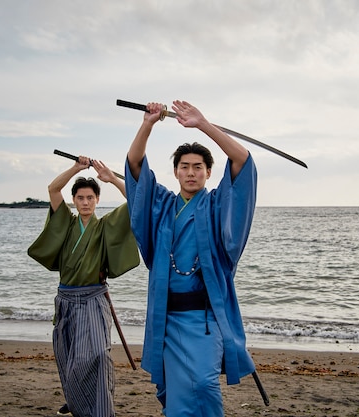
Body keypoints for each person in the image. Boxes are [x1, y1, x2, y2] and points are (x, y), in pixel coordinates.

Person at [125, 100, 258, 416]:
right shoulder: (161, 206)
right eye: (184, 166)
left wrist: (203, 124)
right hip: (167, 319)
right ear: (175, 172)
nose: (191, 172)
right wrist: (148, 124)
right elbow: (134, 167)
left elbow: (242, 161)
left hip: (204, 320)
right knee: (178, 397)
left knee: (204, 384)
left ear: (209, 172)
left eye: (198, 166)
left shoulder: (216, 206)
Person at [28, 156, 139, 417]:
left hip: (93, 298)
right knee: (69, 360)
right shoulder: (65, 222)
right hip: (66, 299)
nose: (86, 202)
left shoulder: (105, 226)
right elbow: (53, 189)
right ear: (74, 201)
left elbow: (136, 198)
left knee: (98, 356)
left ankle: (102, 410)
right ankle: (77, 403)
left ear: (97, 200)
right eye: (80, 198)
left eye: (90, 197)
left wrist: (111, 178)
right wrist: (76, 168)